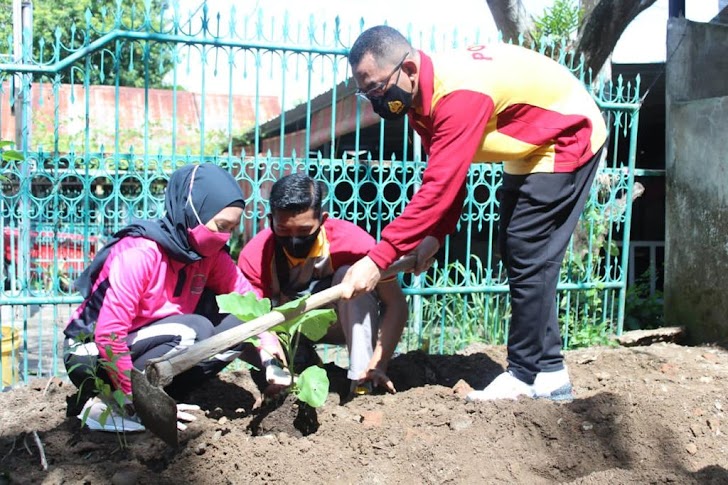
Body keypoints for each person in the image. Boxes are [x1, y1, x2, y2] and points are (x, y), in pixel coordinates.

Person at [344, 26, 608, 401]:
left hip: (567, 132)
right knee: (521, 251)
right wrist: (434, 239)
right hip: (531, 144)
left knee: (528, 250)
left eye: (377, 88)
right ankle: (549, 374)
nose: (376, 101)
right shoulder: (423, 102)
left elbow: (438, 188)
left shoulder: (458, 95)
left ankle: (523, 374)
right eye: (365, 92)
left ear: (410, 69)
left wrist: (378, 258)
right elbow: (451, 177)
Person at [64, 163, 283, 431]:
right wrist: (135, 400)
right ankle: (108, 404)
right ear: (193, 212)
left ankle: (164, 398)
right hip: (93, 355)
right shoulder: (141, 254)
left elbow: (248, 302)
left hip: (147, 346)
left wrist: (268, 345)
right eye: (221, 225)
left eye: (232, 229)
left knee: (238, 327)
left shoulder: (209, 256)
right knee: (193, 329)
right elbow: (109, 335)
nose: (224, 236)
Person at [238, 172, 409, 396]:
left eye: (303, 231)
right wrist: (272, 363)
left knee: (350, 273)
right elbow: (254, 321)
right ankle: (296, 363)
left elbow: (395, 303)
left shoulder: (353, 244)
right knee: (237, 319)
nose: (294, 239)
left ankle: (363, 381)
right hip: (288, 333)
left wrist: (378, 363)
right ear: (271, 221)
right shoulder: (256, 255)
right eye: (283, 230)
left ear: (323, 220)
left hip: (339, 323)